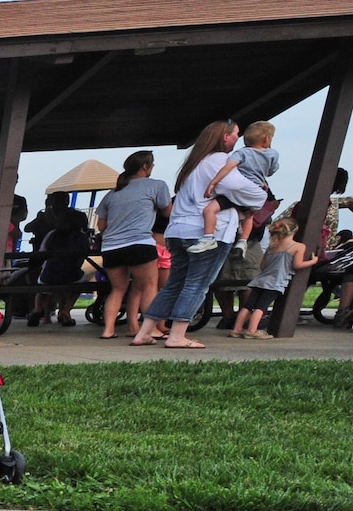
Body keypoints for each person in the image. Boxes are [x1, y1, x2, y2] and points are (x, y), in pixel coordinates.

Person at [132, 120, 265, 350]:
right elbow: (237, 187)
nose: (238, 139)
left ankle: (144, 332)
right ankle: (177, 335)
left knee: (175, 283)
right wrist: (259, 195)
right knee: (197, 284)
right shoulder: (220, 160)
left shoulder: (193, 164)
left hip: (178, 230)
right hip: (208, 233)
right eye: (235, 135)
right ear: (225, 138)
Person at [94, 150, 172, 340]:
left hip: (111, 246)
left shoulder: (112, 194)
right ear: (145, 166)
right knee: (149, 286)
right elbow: (168, 212)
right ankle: (150, 329)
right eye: (151, 165)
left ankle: (108, 330)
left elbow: (101, 225)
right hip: (139, 243)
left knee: (118, 289)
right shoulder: (156, 186)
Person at [195, 121, 278, 252]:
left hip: (237, 192)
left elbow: (229, 167)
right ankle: (243, 241)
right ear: (267, 138)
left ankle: (208, 237)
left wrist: (213, 182)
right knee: (249, 216)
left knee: (209, 210)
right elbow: (271, 171)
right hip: (255, 191)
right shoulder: (273, 154)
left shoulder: (241, 153)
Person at [232, 218, 316, 338]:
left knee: (248, 306)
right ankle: (252, 330)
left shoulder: (272, 246)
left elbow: (262, 265)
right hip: (275, 281)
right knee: (261, 307)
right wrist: (313, 261)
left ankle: (237, 329)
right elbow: (297, 265)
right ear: (294, 231)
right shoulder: (298, 246)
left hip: (260, 280)